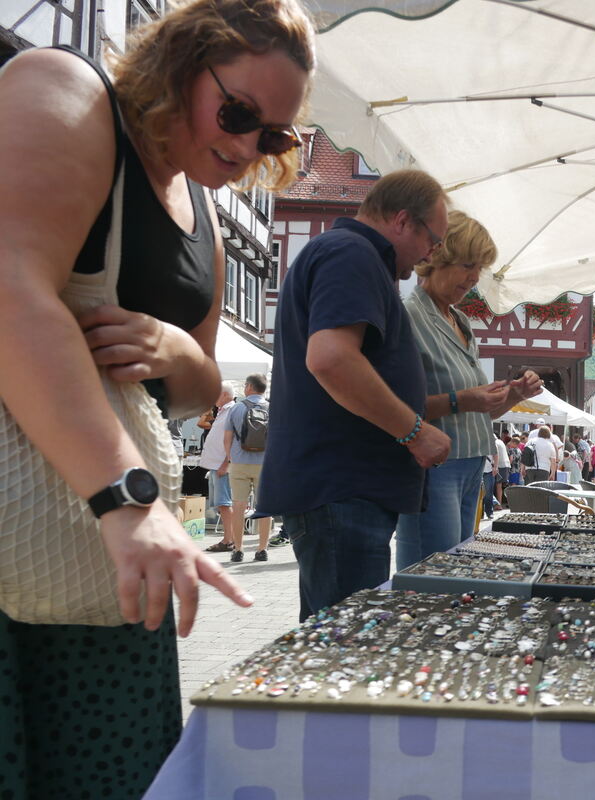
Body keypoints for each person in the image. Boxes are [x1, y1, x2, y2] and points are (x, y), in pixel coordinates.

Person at [0, 0, 310, 794]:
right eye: (238, 112)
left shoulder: (202, 204)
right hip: (70, 514)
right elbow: (10, 289)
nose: (248, 146)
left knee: (112, 772)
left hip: (109, 550)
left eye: (272, 135)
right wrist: (129, 499)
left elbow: (198, 383)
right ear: (180, 61)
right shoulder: (66, 89)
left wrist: (174, 348)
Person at [257, 169, 452, 621]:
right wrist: (416, 433)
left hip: (344, 490)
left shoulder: (351, 254)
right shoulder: (352, 253)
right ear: (403, 220)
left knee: (336, 645)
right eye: (433, 241)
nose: (430, 255)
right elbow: (331, 359)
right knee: (343, 651)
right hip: (342, 488)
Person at [394, 211, 541, 569]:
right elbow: (394, 407)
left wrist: (514, 396)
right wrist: (463, 399)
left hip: (472, 463)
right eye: (466, 265)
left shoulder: (460, 321)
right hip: (434, 467)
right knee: (433, 575)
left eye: (479, 268)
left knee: (454, 571)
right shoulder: (409, 316)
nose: (474, 278)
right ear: (436, 258)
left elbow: (480, 410)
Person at [219, 374, 271, 562]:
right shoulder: (273, 408)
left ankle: (238, 549)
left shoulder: (237, 408)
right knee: (265, 507)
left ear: (248, 387)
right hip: (264, 464)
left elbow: (227, 439)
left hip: (240, 463)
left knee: (238, 505)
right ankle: (262, 549)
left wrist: (232, 457)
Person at [201, 382, 237, 552]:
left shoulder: (231, 410)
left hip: (222, 465)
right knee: (222, 504)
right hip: (217, 465)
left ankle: (229, 540)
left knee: (224, 503)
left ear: (224, 394)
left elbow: (235, 439)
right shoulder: (224, 411)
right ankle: (228, 538)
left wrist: (226, 463)